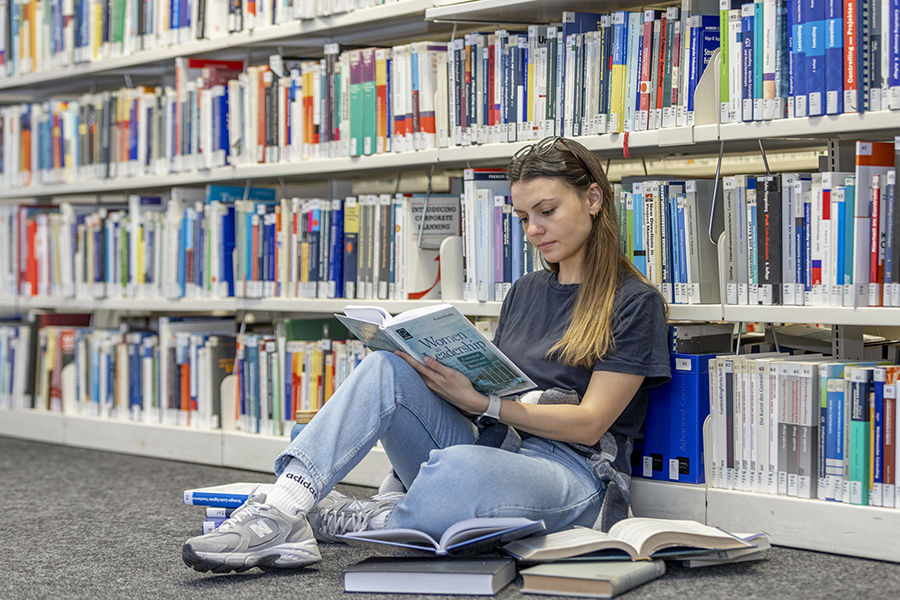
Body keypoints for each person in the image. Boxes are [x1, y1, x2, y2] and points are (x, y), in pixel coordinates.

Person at [181, 136, 671, 574]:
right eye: (523, 217)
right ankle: (284, 509)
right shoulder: (525, 290)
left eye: (546, 211)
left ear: (592, 198)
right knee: (388, 366)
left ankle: (361, 513)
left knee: (459, 471)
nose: (533, 230)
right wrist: (445, 378)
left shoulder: (634, 302)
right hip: (499, 444)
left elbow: (590, 423)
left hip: (572, 473)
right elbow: (496, 390)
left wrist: (484, 405)